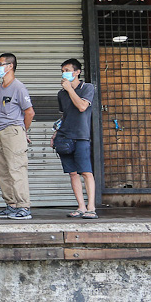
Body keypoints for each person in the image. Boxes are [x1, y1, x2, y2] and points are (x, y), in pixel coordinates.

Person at [0, 53, 35, 220]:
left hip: (13, 131)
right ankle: (11, 205)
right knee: (2, 171)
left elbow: (29, 112)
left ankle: (23, 206)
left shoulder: (18, 87)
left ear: (10, 66)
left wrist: (23, 131)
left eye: (1, 64)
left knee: (17, 169)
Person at [53, 58, 98, 218]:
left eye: (67, 70)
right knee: (72, 173)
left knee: (85, 172)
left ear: (77, 72)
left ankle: (91, 207)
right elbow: (63, 116)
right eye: (63, 70)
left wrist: (70, 89)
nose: (64, 73)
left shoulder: (87, 88)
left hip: (81, 136)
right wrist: (55, 134)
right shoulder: (61, 94)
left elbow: (82, 107)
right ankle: (81, 207)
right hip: (65, 136)